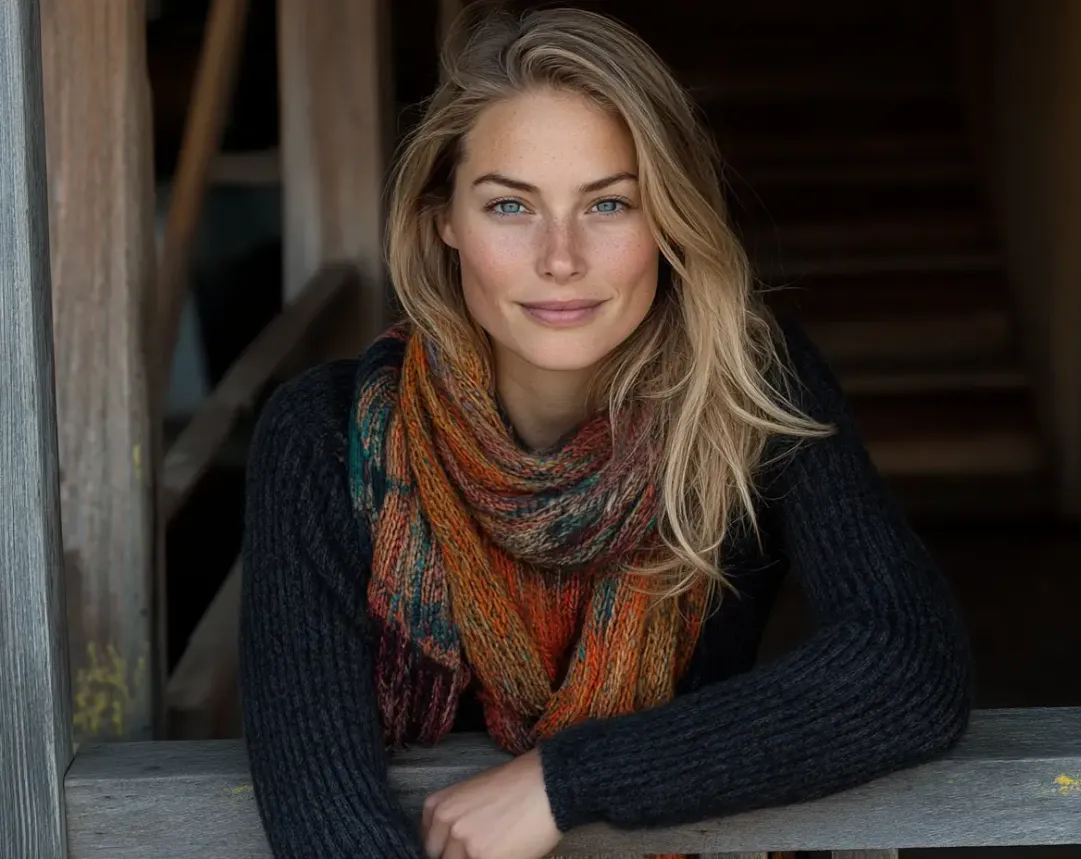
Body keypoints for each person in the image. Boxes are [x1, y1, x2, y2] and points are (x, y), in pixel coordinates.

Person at [238, 5, 974, 859]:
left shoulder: (743, 390)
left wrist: (564, 781)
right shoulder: (327, 440)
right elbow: (324, 817)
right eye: (510, 206)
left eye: (609, 203)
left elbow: (910, 665)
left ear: (667, 218)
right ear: (443, 219)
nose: (561, 258)